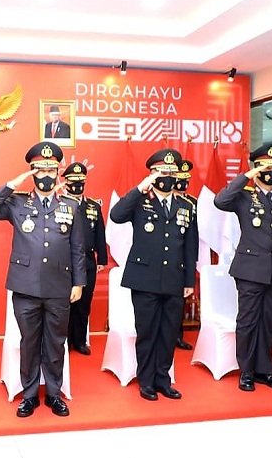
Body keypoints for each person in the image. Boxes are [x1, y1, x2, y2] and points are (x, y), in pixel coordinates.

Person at [0, 141, 86, 418]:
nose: (46, 175)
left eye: (51, 169)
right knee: (29, 342)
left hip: (59, 286)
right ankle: (29, 395)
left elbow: (78, 248)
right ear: (33, 172)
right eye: (40, 170)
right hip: (25, 285)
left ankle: (53, 394)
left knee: (55, 343)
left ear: (58, 172)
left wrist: (78, 283)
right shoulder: (17, 202)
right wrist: (13, 183)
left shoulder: (71, 205)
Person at [110, 149, 197, 401]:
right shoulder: (140, 201)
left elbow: (190, 246)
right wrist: (140, 188)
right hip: (144, 279)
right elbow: (116, 215)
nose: (166, 177)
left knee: (168, 334)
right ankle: (146, 381)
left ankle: (163, 379)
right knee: (147, 333)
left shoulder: (186, 206)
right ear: (152, 174)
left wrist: (189, 280)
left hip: (174, 279)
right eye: (161, 172)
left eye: (171, 172)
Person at [214, 142, 272, 392]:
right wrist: (247, 175)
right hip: (250, 270)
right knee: (249, 322)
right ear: (258, 168)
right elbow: (220, 200)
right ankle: (247, 371)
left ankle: (265, 371)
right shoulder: (244, 196)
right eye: (266, 167)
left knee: (269, 323)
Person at [61, 162, 106, 355]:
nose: (78, 186)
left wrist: (102, 259)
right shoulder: (60, 204)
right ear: (66, 183)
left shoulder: (93, 206)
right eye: (74, 182)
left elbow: (100, 233)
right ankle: (63, 341)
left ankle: (79, 341)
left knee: (83, 304)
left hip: (87, 262)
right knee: (64, 304)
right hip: (64, 262)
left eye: (81, 182)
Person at [172, 159, 198, 350]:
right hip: (164, 257)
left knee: (178, 302)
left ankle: (177, 335)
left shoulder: (191, 203)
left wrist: (193, 259)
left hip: (182, 259)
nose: (183, 183)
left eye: (185, 179)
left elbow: (193, 235)